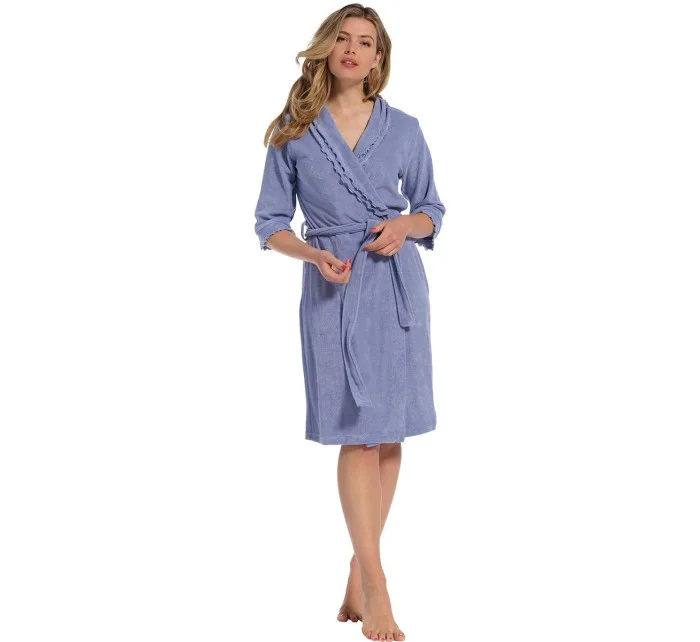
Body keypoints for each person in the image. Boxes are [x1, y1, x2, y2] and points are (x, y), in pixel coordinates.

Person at [253, 4, 445, 640]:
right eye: (343, 38)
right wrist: (313, 255)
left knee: (388, 436)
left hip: (396, 287)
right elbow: (270, 223)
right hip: (332, 289)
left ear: (379, 58)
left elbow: (432, 209)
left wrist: (405, 225)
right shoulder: (294, 130)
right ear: (326, 48)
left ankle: (360, 568)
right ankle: (379, 585)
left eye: (366, 42)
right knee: (358, 435)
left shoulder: (405, 128)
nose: (353, 50)